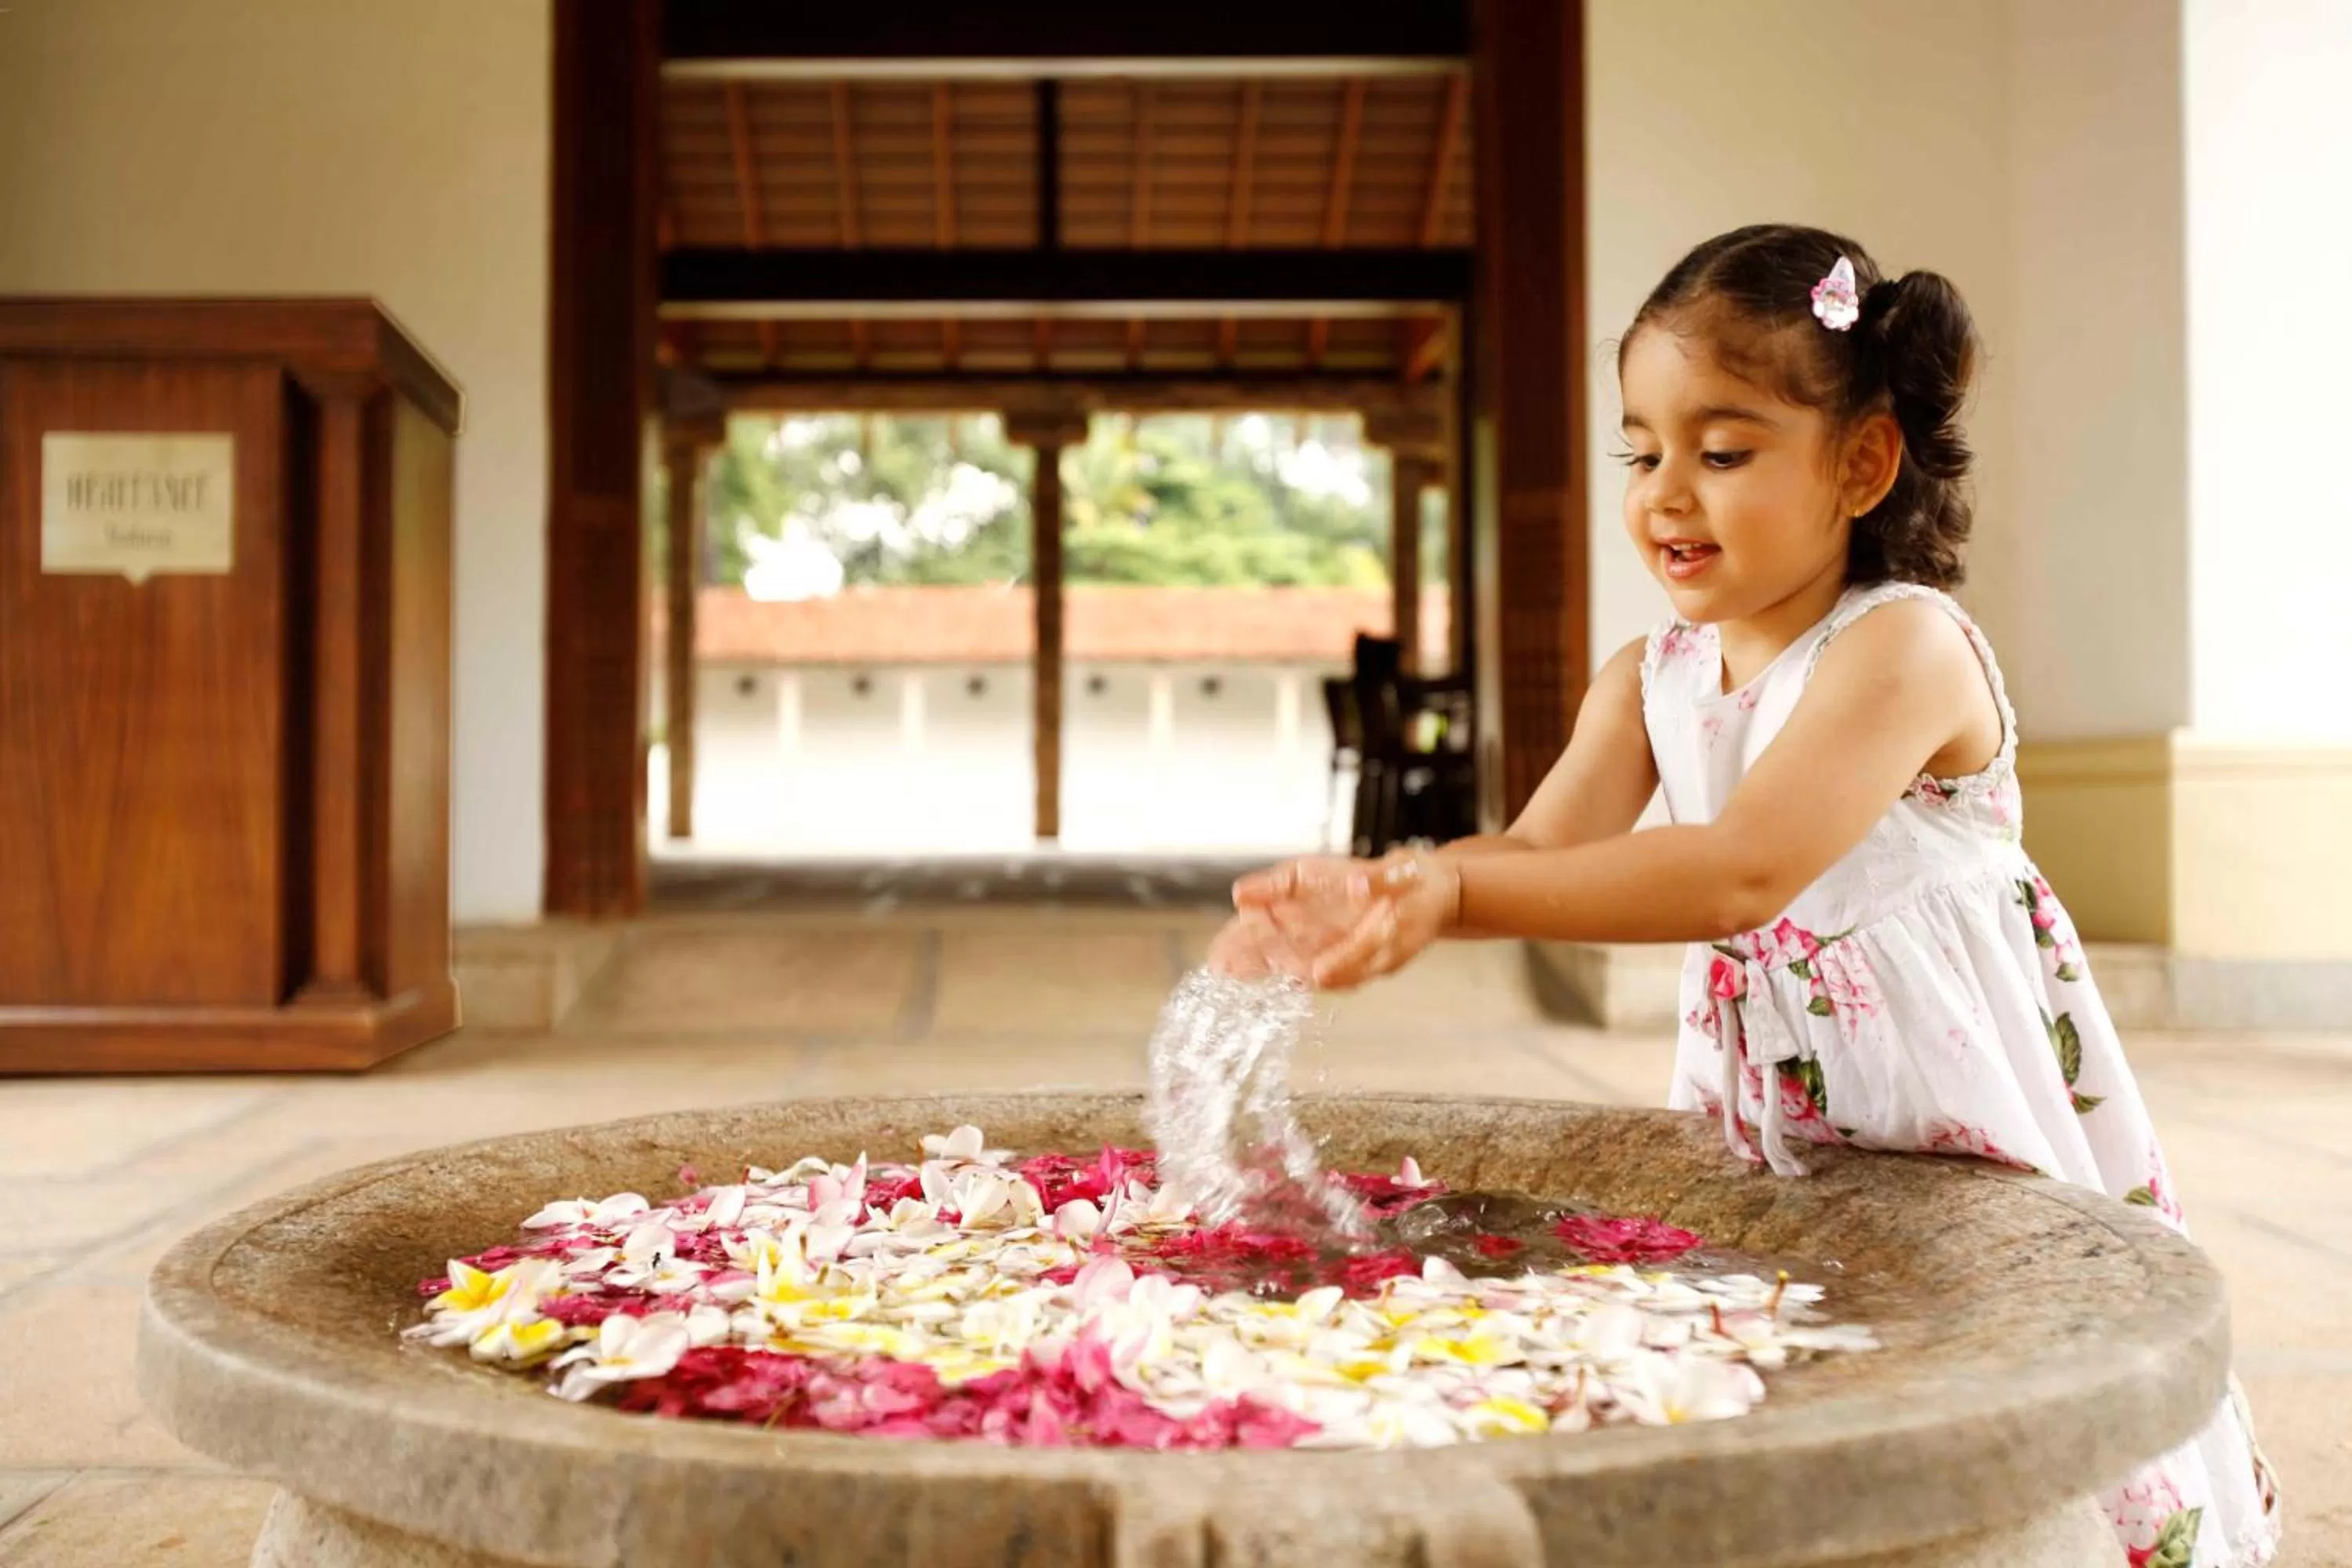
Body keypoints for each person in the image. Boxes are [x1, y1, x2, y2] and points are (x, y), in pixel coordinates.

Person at [1212, 223, 2280, 1568]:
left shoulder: (1904, 648)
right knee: (1807, 1346)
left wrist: (1449, 900)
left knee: (2008, 1364)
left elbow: (1745, 869)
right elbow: (1540, 852)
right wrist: (1390, 885)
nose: (1667, 492)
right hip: (1783, 1107)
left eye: (1721, 453)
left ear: (1862, 462)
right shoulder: (1649, 675)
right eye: (1640, 451)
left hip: (1958, 1112)